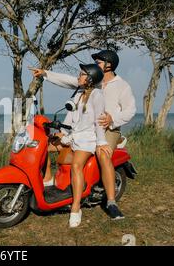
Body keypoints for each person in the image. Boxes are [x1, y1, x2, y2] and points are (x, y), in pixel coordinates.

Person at [31, 50, 136, 220]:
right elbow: (67, 80)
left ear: (109, 65)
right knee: (45, 144)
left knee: (103, 155)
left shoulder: (121, 85)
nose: (95, 63)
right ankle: (50, 181)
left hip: (108, 129)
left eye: (99, 61)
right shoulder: (91, 80)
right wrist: (46, 73)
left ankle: (111, 202)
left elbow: (130, 110)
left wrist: (112, 120)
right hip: (83, 129)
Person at [51, 63, 111, 228]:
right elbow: (70, 118)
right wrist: (61, 132)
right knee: (43, 146)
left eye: (82, 74)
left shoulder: (97, 95)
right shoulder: (78, 94)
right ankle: (48, 180)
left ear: (90, 78)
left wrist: (101, 142)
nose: (78, 77)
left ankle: (76, 208)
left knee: (76, 166)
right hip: (73, 136)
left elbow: (99, 122)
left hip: (87, 139)